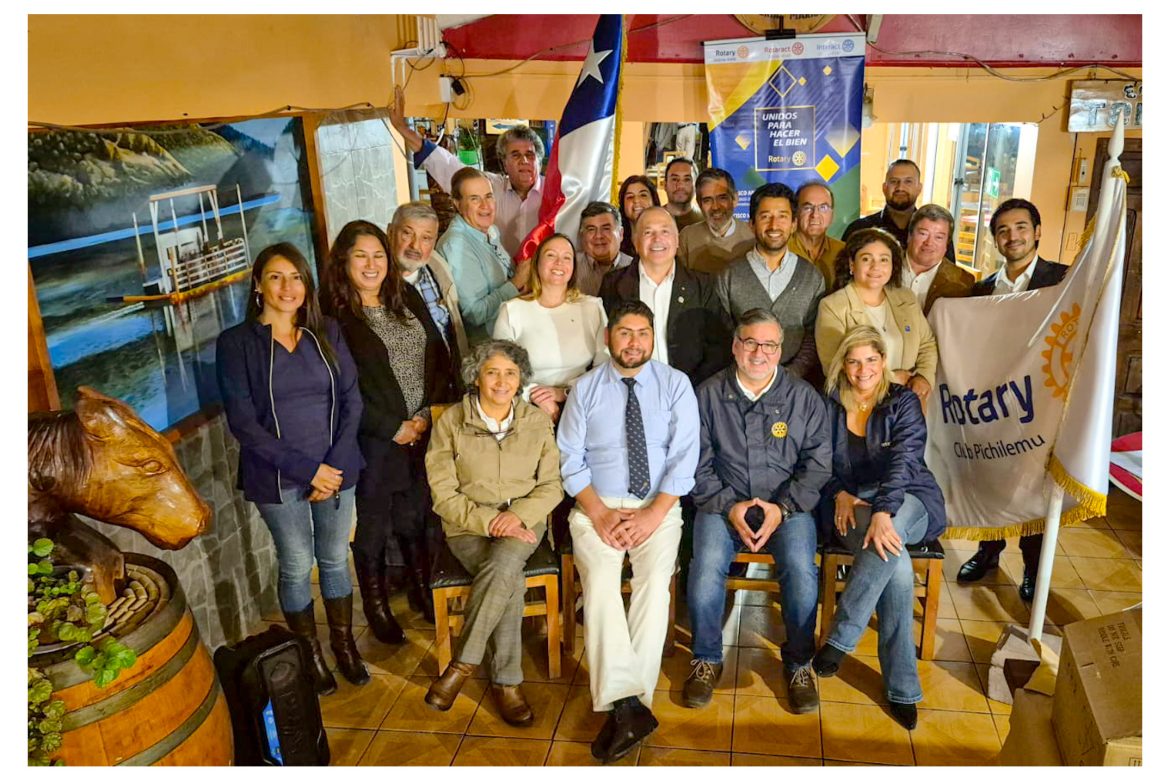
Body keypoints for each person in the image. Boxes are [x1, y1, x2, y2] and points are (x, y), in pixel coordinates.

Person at [217, 243, 369, 694]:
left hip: (336, 470)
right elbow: (244, 424)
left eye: (297, 277)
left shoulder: (327, 331)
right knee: (298, 563)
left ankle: (344, 646)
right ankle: (310, 655)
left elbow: (352, 401)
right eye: (276, 277)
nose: (288, 287)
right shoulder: (237, 344)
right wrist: (309, 472)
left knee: (335, 559)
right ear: (258, 285)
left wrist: (333, 467)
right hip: (277, 476)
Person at [557, 300, 700, 763]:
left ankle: (629, 706)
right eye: (624, 333)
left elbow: (685, 458)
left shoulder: (676, 385)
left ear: (653, 339)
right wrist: (599, 512)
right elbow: (569, 458)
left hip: (658, 508)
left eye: (643, 333)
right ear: (608, 338)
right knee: (599, 586)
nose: (634, 342)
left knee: (654, 587)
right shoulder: (585, 389)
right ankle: (629, 706)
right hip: (596, 506)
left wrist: (653, 515)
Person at [685, 309, 832, 712]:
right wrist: (728, 505)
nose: (759, 352)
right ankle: (705, 657)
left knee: (801, 570)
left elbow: (818, 464)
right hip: (721, 503)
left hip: (787, 507)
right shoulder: (707, 395)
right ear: (735, 346)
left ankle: (799, 663)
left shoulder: (803, 397)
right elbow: (695, 463)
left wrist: (782, 507)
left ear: (780, 350)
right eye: (750, 342)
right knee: (705, 567)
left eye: (769, 345)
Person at [811, 325, 948, 732]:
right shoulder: (828, 404)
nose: (863, 369)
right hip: (851, 503)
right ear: (843, 364)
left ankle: (841, 638)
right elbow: (815, 461)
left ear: (884, 361)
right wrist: (837, 493)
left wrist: (885, 510)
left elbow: (905, 461)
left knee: (888, 534)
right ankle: (903, 689)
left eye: (871, 359)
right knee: (896, 562)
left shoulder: (903, 402)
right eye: (854, 361)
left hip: (909, 498)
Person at [325, 220, 457, 630]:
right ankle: (376, 605)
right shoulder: (333, 316)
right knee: (374, 525)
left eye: (378, 255)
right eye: (360, 256)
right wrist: (392, 427)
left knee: (416, 516)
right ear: (343, 261)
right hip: (374, 439)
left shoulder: (405, 295)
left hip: (422, 429)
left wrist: (426, 414)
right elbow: (338, 389)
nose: (371, 265)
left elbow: (438, 353)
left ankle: (421, 588)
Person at [423, 340, 563, 724]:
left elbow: (551, 486)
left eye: (511, 373)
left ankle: (462, 665)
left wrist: (516, 516)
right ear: (476, 377)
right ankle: (506, 683)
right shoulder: (452, 422)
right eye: (492, 372)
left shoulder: (536, 421)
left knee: (504, 565)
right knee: (509, 578)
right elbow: (443, 493)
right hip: (467, 527)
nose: (502, 382)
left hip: (523, 523)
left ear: (521, 380)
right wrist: (489, 521)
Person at [957, 198, 1069, 602]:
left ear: (1037, 231)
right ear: (995, 240)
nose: (1013, 236)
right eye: (1003, 230)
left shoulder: (1064, 280)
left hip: (1043, 404)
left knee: (1034, 488)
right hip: (997, 405)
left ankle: (1033, 568)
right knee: (993, 478)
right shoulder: (982, 289)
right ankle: (988, 551)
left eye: (1021, 227)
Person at [390, 86, 543, 259]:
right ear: (504, 163)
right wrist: (402, 128)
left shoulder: (555, 191)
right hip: (498, 271)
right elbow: (446, 164)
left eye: (530, 155)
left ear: (538, 160)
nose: (524, 161)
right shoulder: (489, 186)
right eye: (515, 155)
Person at [599, 206, 729, 387]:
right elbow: (604, 344)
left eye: (665, 231)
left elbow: (720, 346)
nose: (657, 239)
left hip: (690, 390)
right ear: (635, 241)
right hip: (629, 389)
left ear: (677, 240)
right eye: (648, 232)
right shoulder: (613, 284)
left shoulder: (702, 285)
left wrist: (690, 388)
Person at [815, 227, 938, 411]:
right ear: (851, 264)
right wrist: (893, 380)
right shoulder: (832, 306)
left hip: (908, 404)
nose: (876, 267)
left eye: (884, 259)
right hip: (860, 408)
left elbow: (927, 344)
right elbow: (834, 368)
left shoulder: (906, 298)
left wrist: (923, 377)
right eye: (866, 259)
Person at [714, 182, 825, 384]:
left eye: (782, 216)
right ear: (751, 224)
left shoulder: (811, 277)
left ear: (793, 224)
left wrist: (789, 377)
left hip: (796, 385)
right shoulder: (728, 276)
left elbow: (814, 335)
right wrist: (752, 373)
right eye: (765, 217)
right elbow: (722, 335)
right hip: (742, 383)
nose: (774, 225)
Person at [492, 232, 608, 423]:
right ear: (537, 263)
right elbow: (500, 369)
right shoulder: (511, 310)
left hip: (583, 401)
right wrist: (535, 396)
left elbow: (604, 366)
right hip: (525, 406)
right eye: (551, 255)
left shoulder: (592, 307)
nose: (559, 263)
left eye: (567, 258)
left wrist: (565, 393)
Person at [435, 167, 533, 345]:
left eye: (489, 196)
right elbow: (475, 314)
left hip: (513, 328)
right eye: (474, 199)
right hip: (490, 347)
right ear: (457, 204)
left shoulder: (489, 230)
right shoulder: (456, 245)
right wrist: (516, 282)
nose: (485, 206)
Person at [389, 201, 469, 366]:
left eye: (426, 238)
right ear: (390, 232)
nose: (415, 246)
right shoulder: (376, 282)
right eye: (407, 234)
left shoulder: (439, 269)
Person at [842, 159, 956, 261]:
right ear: (884, 188)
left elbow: (948, 273)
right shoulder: (859, 229)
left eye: (908, 181)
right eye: (894, 181)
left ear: (919, 188)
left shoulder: (937, 235)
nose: (900, 187)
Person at [677, 167, 755, 275]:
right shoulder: (687, 238)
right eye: (707, 200)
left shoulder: (753, 236)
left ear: (735, 199)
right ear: (699, 204)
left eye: (722, 198)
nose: (715, 207)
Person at [902, 204, 974, 315]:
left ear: (947, 244)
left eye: (939, 237)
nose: (929, 243)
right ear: (909, 236)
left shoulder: (962, 282)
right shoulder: (884, 267)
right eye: (923, 234)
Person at [789, 181, 845, 288]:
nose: (815, 215)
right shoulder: (781, 251)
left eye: (823, 208)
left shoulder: (843, 251)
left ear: (832, 215)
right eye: (807, 208)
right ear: (795, 213)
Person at [574, 201, 633, 297]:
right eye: (591, 229)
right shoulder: (569, 266)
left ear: (621, 233)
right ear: (582, 236)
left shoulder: (635, 267)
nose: (598, 236)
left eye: (606, 228)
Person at [617, 174, 661, 260]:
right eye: (630, 197)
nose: (636, 201)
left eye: (643, 195)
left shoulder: (666, 238)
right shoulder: (616, 243)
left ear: (654, 201)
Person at [662, 157, 703, 230]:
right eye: (674, 179)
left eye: (687, 179)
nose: (680, 186)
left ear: (696, 186)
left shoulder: (706, 221)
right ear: (665, 185)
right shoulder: (651, 219)